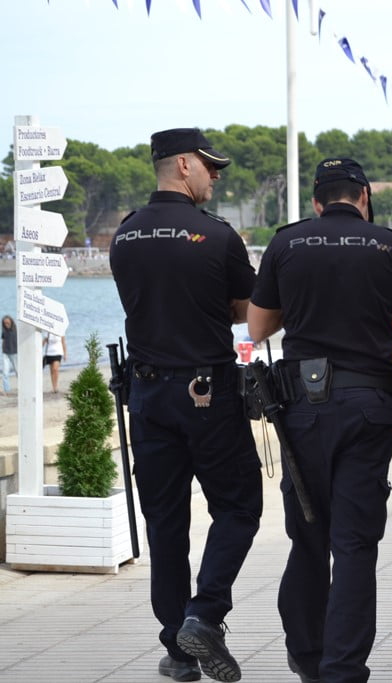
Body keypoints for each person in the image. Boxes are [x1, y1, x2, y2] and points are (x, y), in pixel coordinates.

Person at [248, 157, 392, 683]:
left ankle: (306, 656)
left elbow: (259, 326)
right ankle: (343, 668)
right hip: (369, 406)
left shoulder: (286, 243)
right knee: (354, 544)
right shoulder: (389, 246)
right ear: (365, 197)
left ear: (316, 202)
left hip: (301, 409)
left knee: (308, 537)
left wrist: (301, 302)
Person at [110, 127, 263, 683]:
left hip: (147, 394)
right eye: (208, 165)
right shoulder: (217, 236)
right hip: (207, 392)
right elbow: (247, 308)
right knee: (240, 505)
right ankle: (203, 614)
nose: (215, 175)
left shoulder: (123, 236)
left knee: (165, 524)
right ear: (182, 166)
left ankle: (177, 651)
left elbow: (148, 305)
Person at [2, 315, 17, 394]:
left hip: (15, 353)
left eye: (8, 323)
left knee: (18, 371)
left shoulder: (16, 330)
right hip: (5, 354)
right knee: (5, 372)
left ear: (11, 322)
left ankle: (22, 387)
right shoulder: (4, 330)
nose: (6, 324)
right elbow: (3, 340)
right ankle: (7, 390)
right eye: (5, 323)